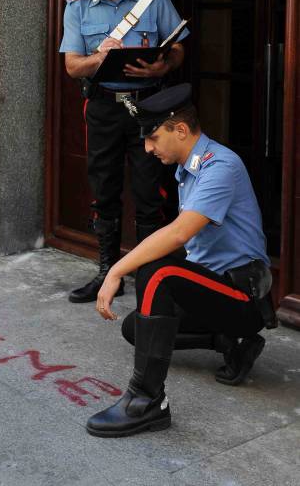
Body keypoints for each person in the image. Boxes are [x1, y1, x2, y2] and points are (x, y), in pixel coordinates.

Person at [86, 83, 276, 438]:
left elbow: (178, 234)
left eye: (154, 137)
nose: (147, 147)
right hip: (213, 288)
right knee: (136, 329)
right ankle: (226, 342)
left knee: (158, 271)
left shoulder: (221, 166)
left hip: (243, 294)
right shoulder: (187, 168)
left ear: (182, 130)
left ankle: (147, 401)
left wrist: (115, 270)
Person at [59, 0, 189, 303]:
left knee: (150, 192)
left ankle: (151, 277)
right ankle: (106, 272)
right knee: (104, 190)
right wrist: (101, 57)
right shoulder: (78, 6)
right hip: (102, 107)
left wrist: (161, 66)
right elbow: (72, 67)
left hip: (148, 105)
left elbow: (178, 47)